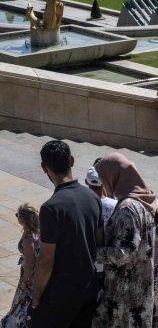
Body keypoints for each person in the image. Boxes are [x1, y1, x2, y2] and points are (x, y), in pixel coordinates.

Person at [92, 153, 158, 328]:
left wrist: (94, 252)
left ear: (114, 176)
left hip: (132, 292)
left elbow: (123, 253)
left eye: (104, 178)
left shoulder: (128, 208)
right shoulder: (148, 200)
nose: (103, 184)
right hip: (152, 283)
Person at [30, 140, 101, 328]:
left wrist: (36, 296)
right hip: (88, 290)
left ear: (45, 168)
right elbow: (99, 242)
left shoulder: (51, 208)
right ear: (72, 160)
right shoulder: (93, 197)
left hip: (60, 296)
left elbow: (46, 260)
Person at [2, 204, 39, 328]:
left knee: (23, 301)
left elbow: (29, 263)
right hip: (33, 274)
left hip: (29, 277)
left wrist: (24, 281)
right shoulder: (36, 232)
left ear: (22, 219)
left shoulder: (28, 239)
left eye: (17, 215)